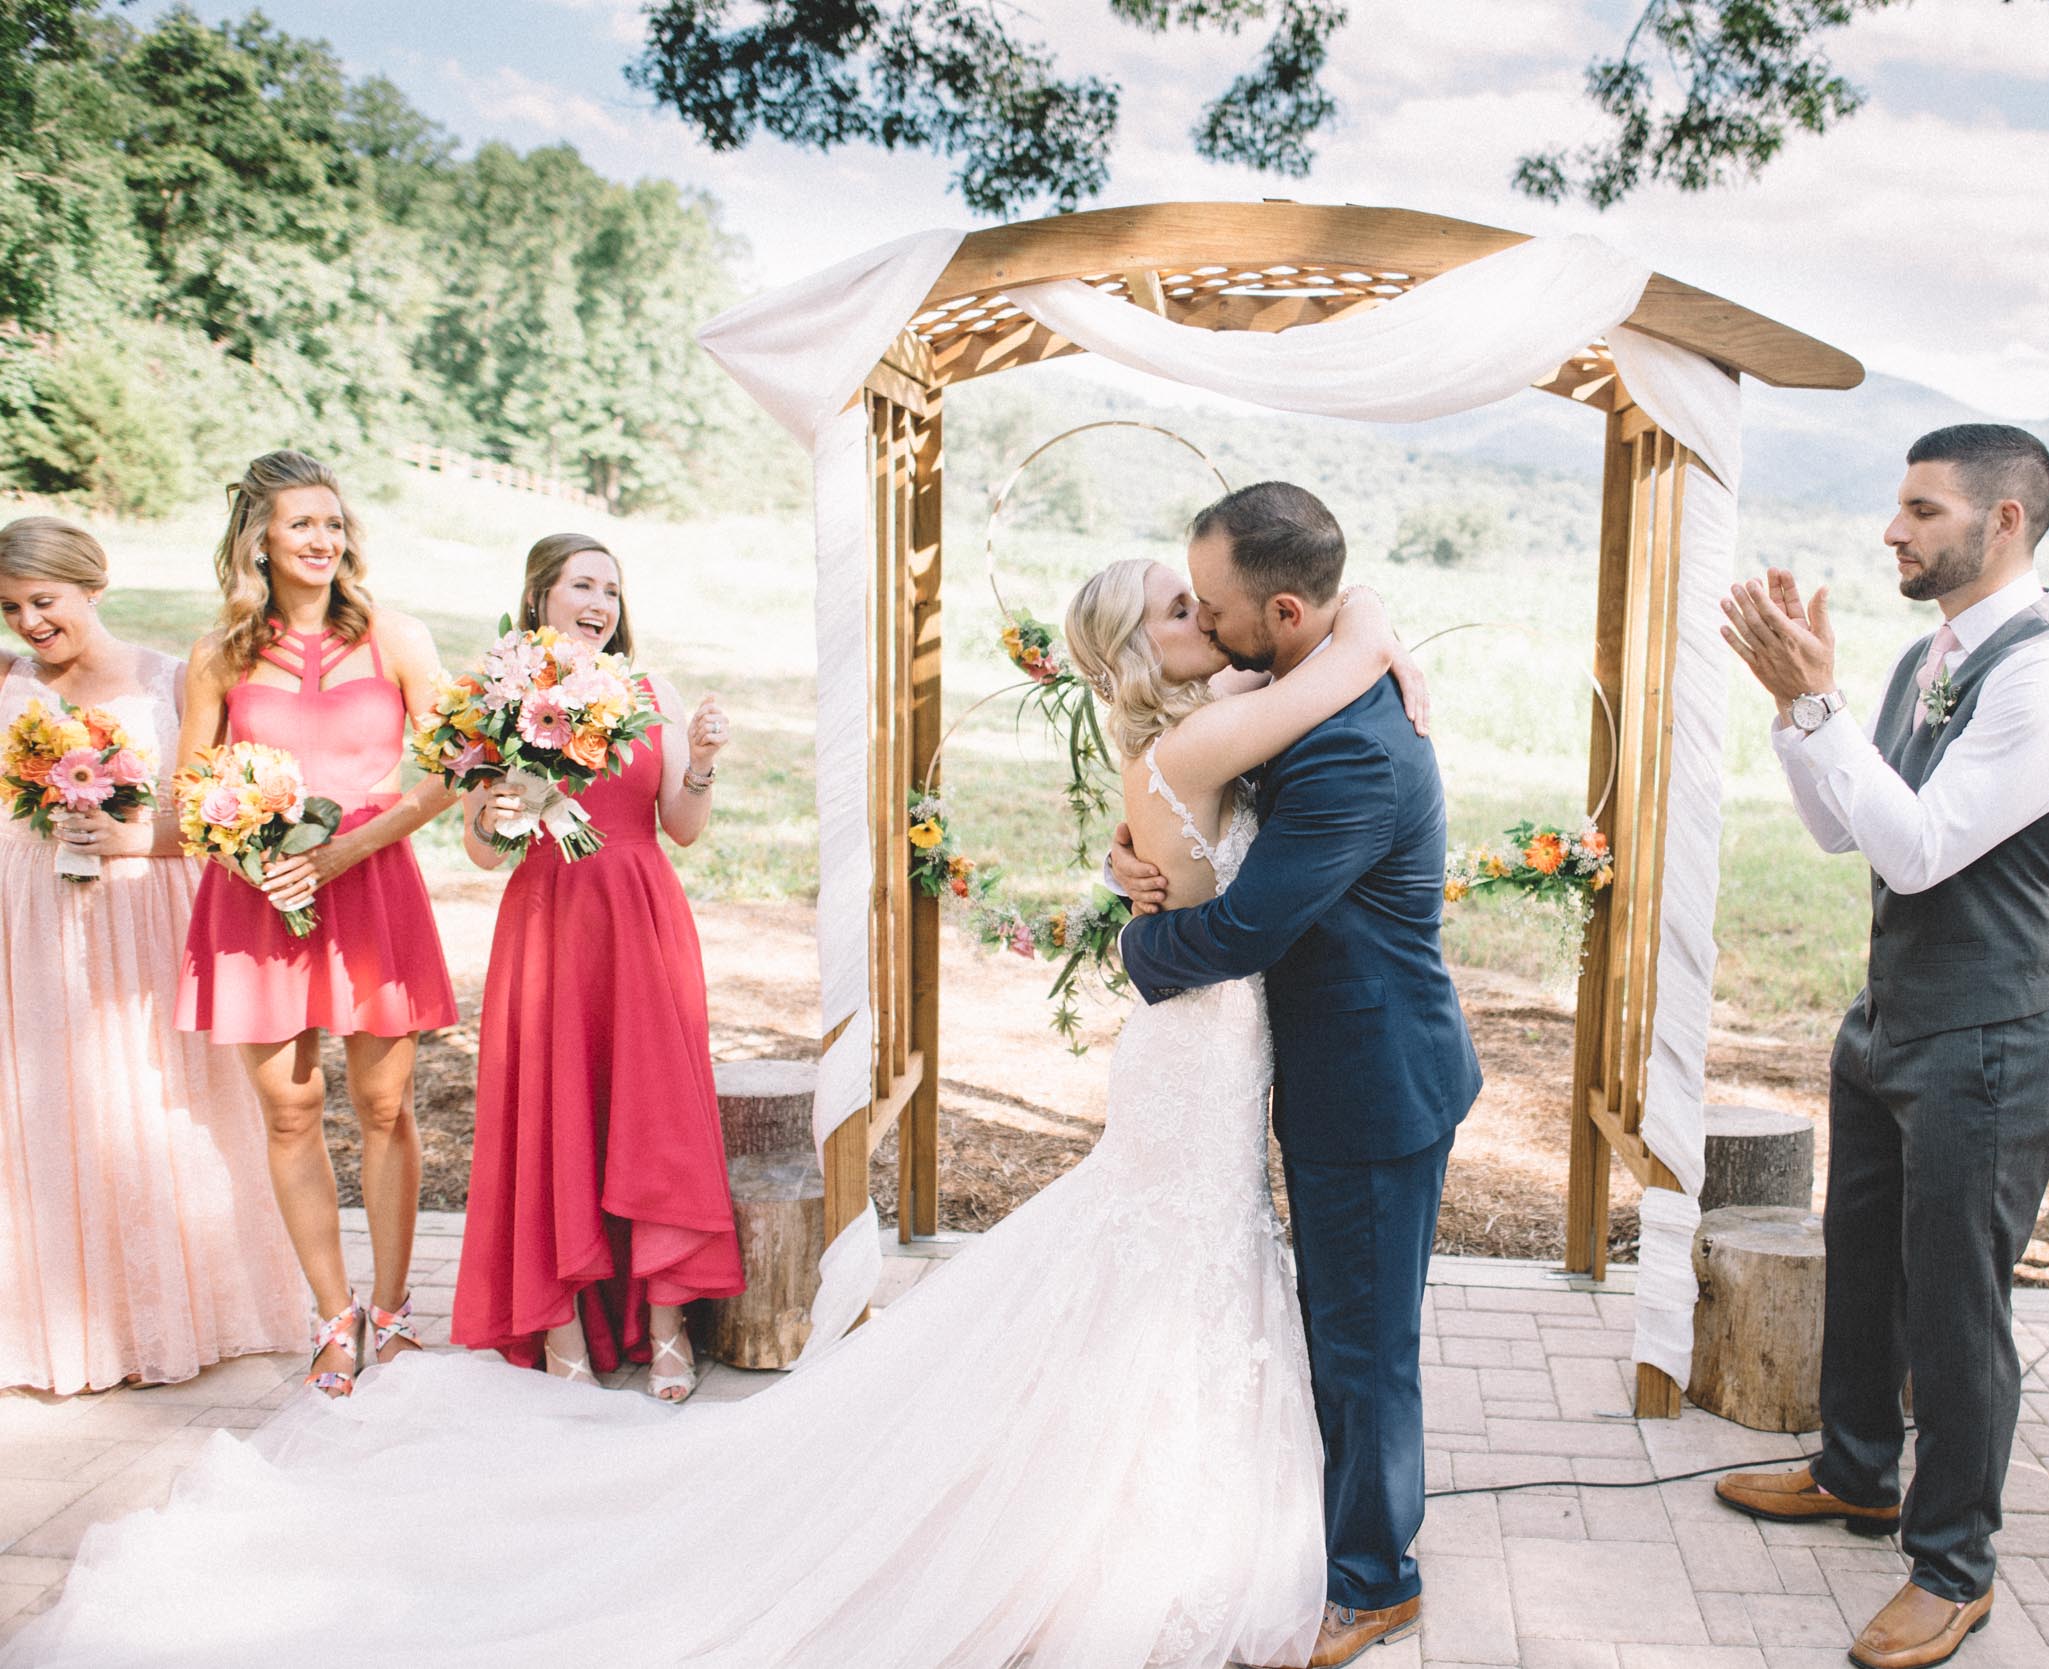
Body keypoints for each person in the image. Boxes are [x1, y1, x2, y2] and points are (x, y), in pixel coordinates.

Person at [3, 542, 1434, 1669]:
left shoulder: (1225, 725)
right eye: (1184, 608)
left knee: (1191, 1265)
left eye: (1209, 601)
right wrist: (1365, 644)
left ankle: (1220, 1502)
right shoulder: (1202, 735)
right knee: (1174, 1255)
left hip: (1220, 1052)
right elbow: (1280, 758)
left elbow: (1307, 703)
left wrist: (1361, 647)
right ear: (1146, 650)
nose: (1213, 619)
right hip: (1196, 1043)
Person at [1711, 425, 2049, 1669]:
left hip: (1999, 1029)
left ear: (2004, 521)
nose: (1892, 530)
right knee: (1866, 1261)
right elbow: (1847, 829)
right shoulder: (1924, 657)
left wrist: (1822, 701)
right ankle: (1856, 1469)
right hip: (1894, 1014)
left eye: (1921, 509)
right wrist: (1804, 708)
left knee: (1958, 1305)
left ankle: (1954, 1565)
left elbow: (1918, 846)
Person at [1113, 480, 1481, 1668]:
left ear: (1281, 609)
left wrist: (1129, 941)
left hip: (1374, 1082)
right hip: (1333, 1063)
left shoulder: (1352, 760)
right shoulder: (1305, 679)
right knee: (1344, 1326)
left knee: (1364, 1344)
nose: (1204, 626)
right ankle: (1340, 1536)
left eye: (1215, 607)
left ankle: (1375, 1581)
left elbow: (1239, 934)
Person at [175, 449, 459, 1399]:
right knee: (292, 1111)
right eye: (302, 524)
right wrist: (247, 846)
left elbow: (456, 766)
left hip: (372, 887)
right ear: (257, 538)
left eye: (334, 523)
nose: (322, 540)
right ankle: (332, 1319)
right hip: (255, 899)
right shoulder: (218, 654)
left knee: (384, 1106)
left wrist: (350, 846)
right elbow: (189, 795)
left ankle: (392, 1311)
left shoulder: (398, 638)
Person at [0, 517, 301, 1394]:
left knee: (157, 1098)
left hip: (147, 911)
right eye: (12, 607)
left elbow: (212, 819)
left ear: (93, 585)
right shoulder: (8, 684)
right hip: (33, 912)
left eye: (44, 601)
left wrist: (129, 834)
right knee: (51, 1099)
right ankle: (62, 1320)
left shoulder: (171, 678)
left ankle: (180, 1308)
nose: (30, 622)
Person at [451, 534, 744, 1400]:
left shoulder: (648, 688)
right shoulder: (501, 694)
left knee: (654, 1113)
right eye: (583, 584)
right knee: (554, 1112)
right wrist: (501, 809)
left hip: (641, 918)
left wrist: (703, 762)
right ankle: (560, 1322)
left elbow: (680, 827)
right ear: (541, 593)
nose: (601, 603)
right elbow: (482, 848)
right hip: (549, 921)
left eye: (612, 589)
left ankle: (666, 1321)